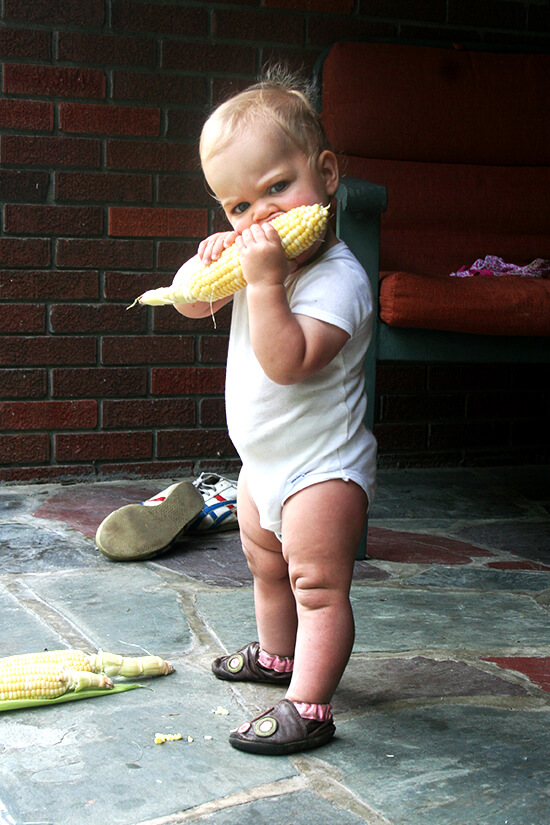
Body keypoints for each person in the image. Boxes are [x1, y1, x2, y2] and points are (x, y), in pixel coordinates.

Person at [175, 69, 377, 755]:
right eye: (236, 207)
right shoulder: (265, 262)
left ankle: (310, 704)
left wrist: (261, 281)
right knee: (265, 564)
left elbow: (288, 360)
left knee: (316, 584)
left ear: (325, 174)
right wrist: (208, 268)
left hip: (323, 470)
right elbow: (194, 304)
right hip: (262, 462)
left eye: (276, 189)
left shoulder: (338, 278)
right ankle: (276, 654)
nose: (257, 217)